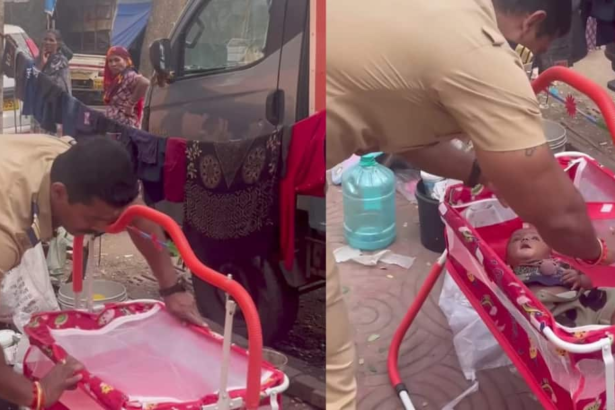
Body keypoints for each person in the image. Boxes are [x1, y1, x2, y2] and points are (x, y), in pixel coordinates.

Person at [327, 0, 613, 408]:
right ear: (532, 21)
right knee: (334, 360)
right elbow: (561, 215)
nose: (528, 60)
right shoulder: (485, 55)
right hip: (285, 142)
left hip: (286, 99)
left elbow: (404, 135)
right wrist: (598, 254)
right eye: (535, 48)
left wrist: (482, 174)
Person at [0, 134, 203, 407]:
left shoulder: (67, 161)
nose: (103, 229)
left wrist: (172, 289)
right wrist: (38, 394)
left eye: (111, 221)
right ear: (59, 193)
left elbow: (136, 214)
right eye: (94, 219)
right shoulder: (7, 229)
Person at [507, 227, 615, 327]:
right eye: (516, 239)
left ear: (549, 251)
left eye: (535, 238)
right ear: (507, 258)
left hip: (577, 303)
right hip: (545, 315)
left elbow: (589, 283)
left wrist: (579, 279)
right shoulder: (508, 272)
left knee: (609, 295)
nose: (525, 239)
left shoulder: (561, 265)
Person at [103, 46, 150, 129]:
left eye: (117, 60)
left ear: (126, 60)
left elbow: (145, 83)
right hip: (115, 126)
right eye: (110, 61)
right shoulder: (118, 78)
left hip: (124, 127)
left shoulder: (128, 75)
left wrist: (130, 104)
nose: (113, 64)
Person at [35, 30, 71, 94]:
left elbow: (52, 83)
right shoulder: (37, 59)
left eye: (51, 40)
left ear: (58, 44)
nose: (47, 42)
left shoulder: (61, 61)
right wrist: (42, 63)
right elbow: (32, 79)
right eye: (45, 39)